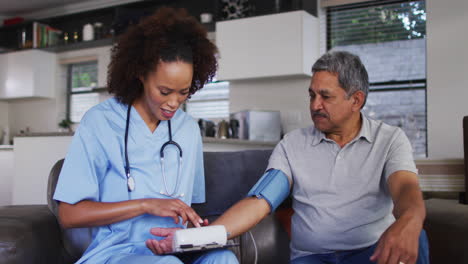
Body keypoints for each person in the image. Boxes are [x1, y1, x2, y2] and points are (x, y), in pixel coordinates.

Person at [154, 51, 430, 264]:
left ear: (356, 100)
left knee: (418, 236)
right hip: (312, 257)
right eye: (311, 95)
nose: (314, 105)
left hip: (370, 253)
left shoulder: (390, 139)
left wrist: (411, 219)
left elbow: (405, 188)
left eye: (325, 96)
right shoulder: (293, 145)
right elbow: (260, 201)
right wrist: (193, 237)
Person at [53, 7, 238, 264]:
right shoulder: (101, 122)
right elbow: (69, 214)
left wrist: (189, 234)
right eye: (164, 91)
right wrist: (146, 205)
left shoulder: (187, 130)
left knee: (223, 259)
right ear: (140, 74)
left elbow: (190, 209)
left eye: (183, 92)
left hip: (173, 249)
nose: (174, 103)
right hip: (116, 253)